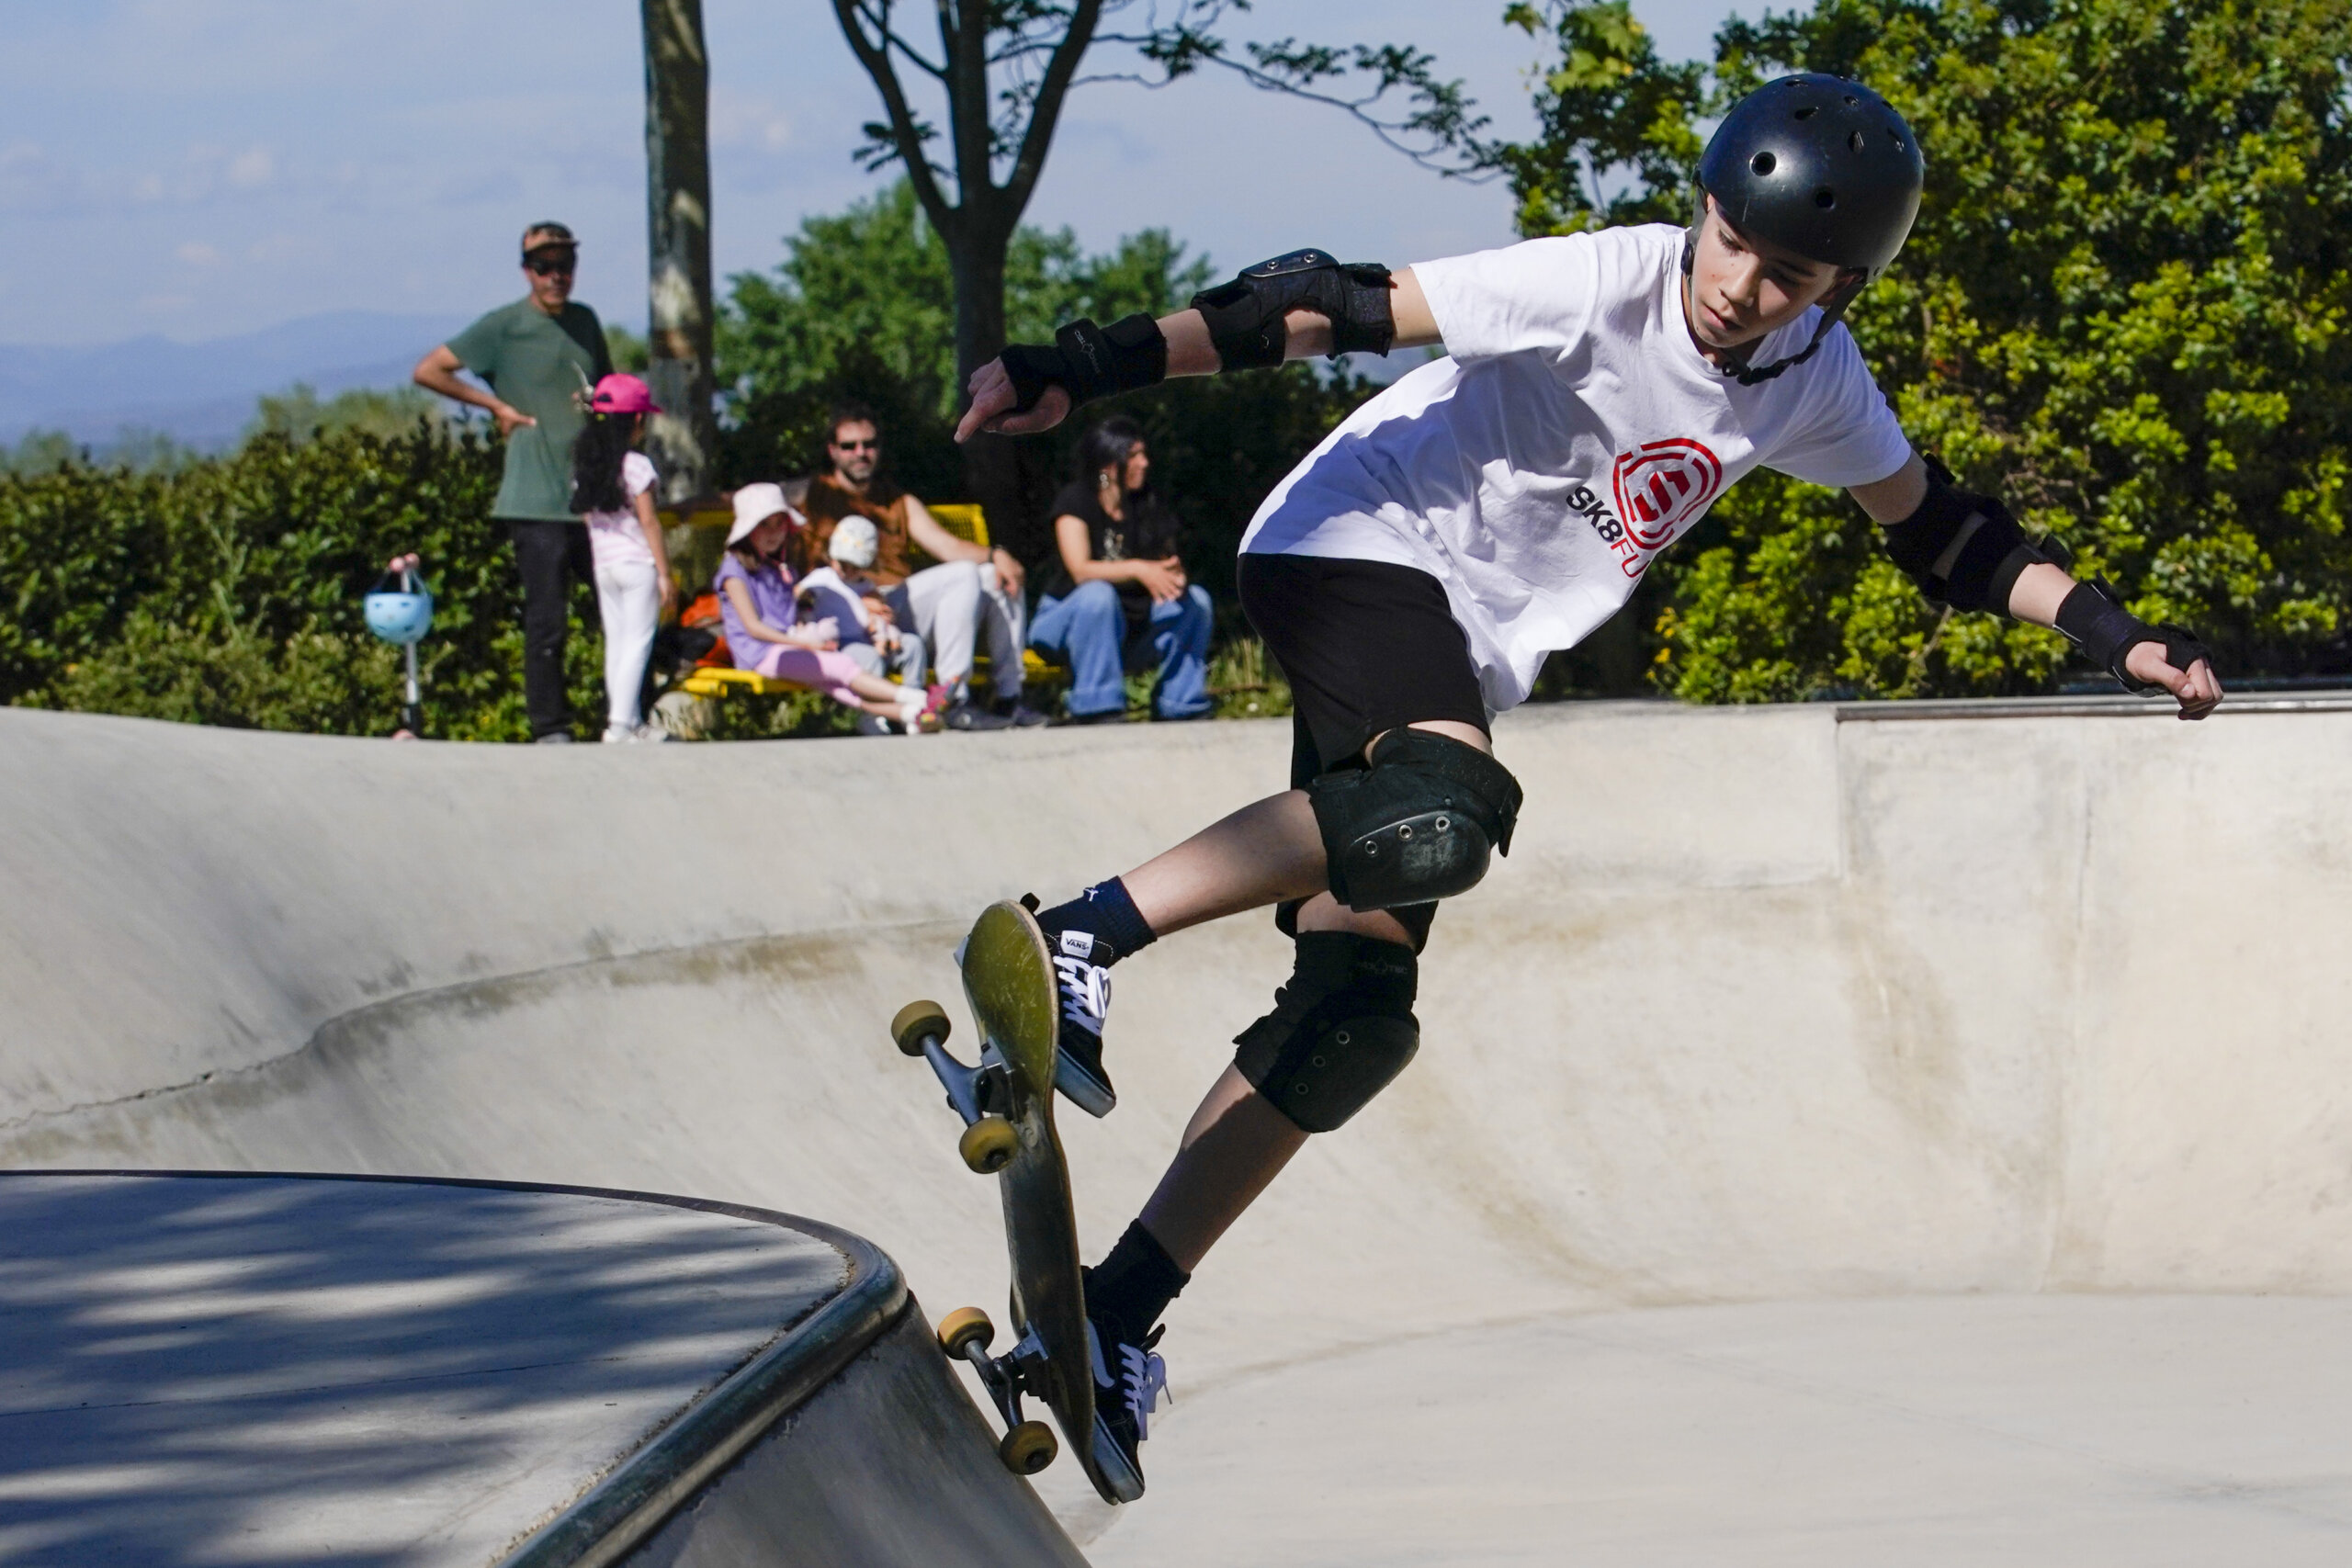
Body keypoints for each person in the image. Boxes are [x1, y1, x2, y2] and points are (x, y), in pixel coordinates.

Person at [951, 73, 2225, 1503]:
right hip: (1353, 541)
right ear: (1706, 206)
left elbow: (1945, 534)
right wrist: (1088, 362)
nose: (1739, 288)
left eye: (1788, 276)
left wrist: (2117, 634)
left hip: (1451, 644)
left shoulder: (1817, 381)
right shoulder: (1606, 279)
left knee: (1355, 1015)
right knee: (1446, 807)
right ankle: (1082, 932)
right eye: (1730, 240)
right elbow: (1317, 305)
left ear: (1838, 292)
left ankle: (1116, 1308)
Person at [414, 222, 615, 742]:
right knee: (548, 620)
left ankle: (626, 715)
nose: (556, 276)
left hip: (591, 496)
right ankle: (551, 727)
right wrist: (495, 406)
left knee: (620, 607)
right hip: (535, 499)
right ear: (527, 271)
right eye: (545, 266)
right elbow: (430, 370)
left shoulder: (586, 321)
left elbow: (607, 390)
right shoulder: (504, 326)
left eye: (564, 265)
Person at [796, 404, 1045, 730]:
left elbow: (947, 547)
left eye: (869, 444)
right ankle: (955, 700)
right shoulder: (813, 493)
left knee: (993, 574)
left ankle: (1006, 698)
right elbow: (754, 502)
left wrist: (997, 555)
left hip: (896, 607)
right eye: (849, 446)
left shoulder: (898, 501)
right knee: (967, 573)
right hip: (842, 609)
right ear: (832, 451)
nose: (860, 453)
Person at [1028, 416, 1214, 724]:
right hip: (1064, 622)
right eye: (1134, 456)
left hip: (1128, 628)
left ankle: (1180, 702)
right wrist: (1139, 569)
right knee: (1098, 595)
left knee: (1197, 601)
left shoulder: (1146, 504)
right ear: (1108, 464)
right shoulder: (1075, 501)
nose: (1144, 463)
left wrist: (1172, 575)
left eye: (1144, 454)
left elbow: (1163, 564)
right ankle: (1097, 703)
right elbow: (1080, 571)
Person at [717, 484, 943, 733]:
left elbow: (790, 615)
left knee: (839, 687)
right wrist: (805, 644)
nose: (774, 533)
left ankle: (910, 715)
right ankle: (919, 698)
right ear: (748, 529)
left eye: (779, 524)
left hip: (786, 647)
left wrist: (809, 631)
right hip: (758, 653)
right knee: (839, 665)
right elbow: (754, 628)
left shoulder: (778, 568)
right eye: (764, 525)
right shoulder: (734, 570)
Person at [570, 373, 677, 743]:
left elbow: (587, 518)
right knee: (638, 643)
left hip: (605, 565)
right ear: (637, 420)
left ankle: (628, 721)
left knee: (617, 643)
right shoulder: (636, 465)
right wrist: (664, 573)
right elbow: (649, 520)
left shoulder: (585, 466)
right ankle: (618, 725)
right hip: (637, 564)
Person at [797, 514, 933, 695]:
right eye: (843, 564)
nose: (849, 571)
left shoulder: (867, 586)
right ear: (832, 556)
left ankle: (914, 697)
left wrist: (884, 616)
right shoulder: (824, 577)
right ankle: (876, 709)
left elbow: (879, 612)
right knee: (871, 658)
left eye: (856, 567)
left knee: (913, 645)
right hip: (840, 644)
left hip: (869, 639)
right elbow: (800, 595)